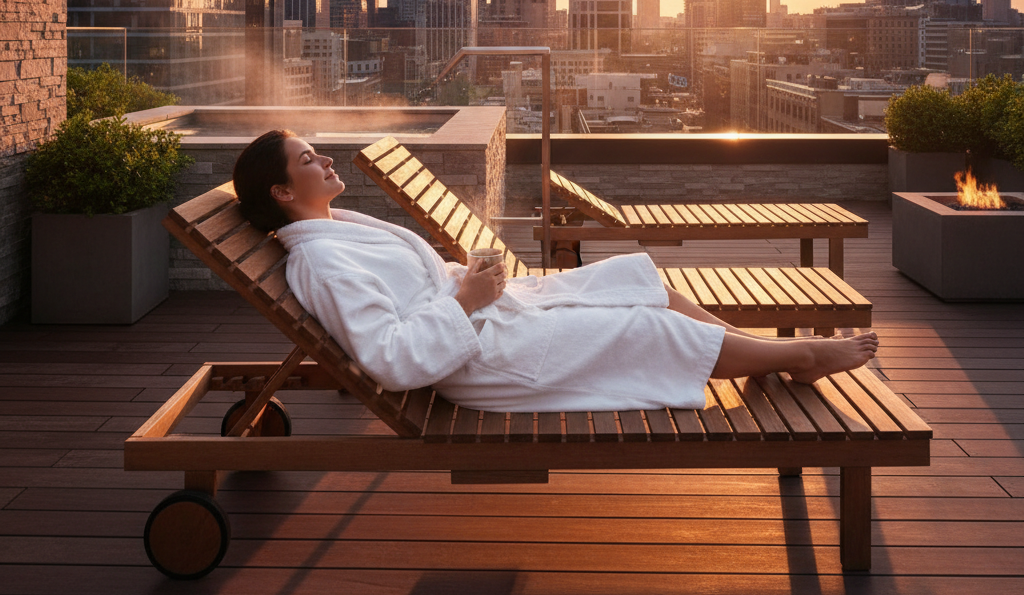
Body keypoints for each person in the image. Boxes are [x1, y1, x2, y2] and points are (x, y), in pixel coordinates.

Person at [232, 130, 878, 413]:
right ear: (284, 193)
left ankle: (769, 353)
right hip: (481, 358)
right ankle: (791, 358)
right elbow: (391, 360)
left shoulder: (340, 230)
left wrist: (468, 277)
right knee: (644, 329)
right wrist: (464, 302)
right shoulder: (322, 262)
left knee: (634, 279)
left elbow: (418, 292)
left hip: (483, 316)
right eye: (309, 159)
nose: (325, 162)